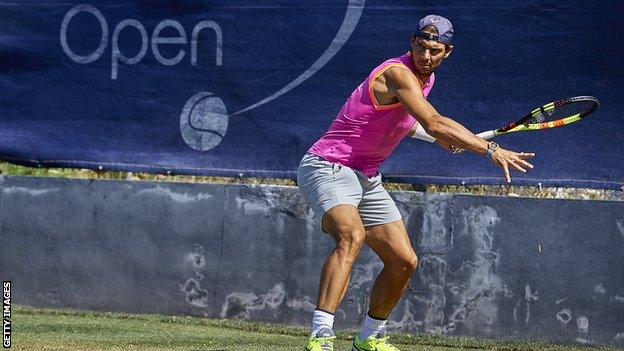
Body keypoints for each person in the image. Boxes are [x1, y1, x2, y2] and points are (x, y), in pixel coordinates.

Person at [298, 15, 535, 351]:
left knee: (403, 261)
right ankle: (321, 335)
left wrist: (434, 139)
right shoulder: (398, 72)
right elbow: (434, 120)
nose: (425, 56)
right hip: (328, 166)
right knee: (351, 235)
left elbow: (405, 122)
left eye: (434, 50)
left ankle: (368, 338)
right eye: (420, 47)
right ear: (411, 42)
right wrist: (489, 149)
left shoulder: (427, 80)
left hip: (366, 176)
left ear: (447, 52)